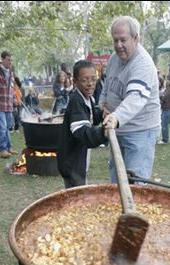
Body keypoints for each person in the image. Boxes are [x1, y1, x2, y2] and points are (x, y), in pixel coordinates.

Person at [100, 16, 160, 182]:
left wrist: (116, 117)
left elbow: (135, 98)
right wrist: (102, 103)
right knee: (117, 180)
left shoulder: (143, 64)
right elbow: (107, 84)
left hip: (140, 132)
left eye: (123, 40)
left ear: (136, 38)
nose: (119, 45)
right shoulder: (114, 58)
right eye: (115, 40)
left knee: (134, 184)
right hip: (118, 130)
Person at [57, 60, 108, 188]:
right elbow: (82, 133)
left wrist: (101, 113)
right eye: (84, 80)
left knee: (80, 190)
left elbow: (91, 118)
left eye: (93, 79)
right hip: (71, 162)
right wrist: (103, 132)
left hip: (79, 159)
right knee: (77, 196)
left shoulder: (88, 98)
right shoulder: (76, 101)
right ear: (75, 82)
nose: (90, 84)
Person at [159, 74, 170, 144]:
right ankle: (164, 138)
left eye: (168, 79)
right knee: (164, 124)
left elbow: (164, 97)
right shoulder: (168, 88)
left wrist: (161, 96)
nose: (166, 81)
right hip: (165, 109)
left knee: (164, 125)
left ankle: (165, 140)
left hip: (167, 109)